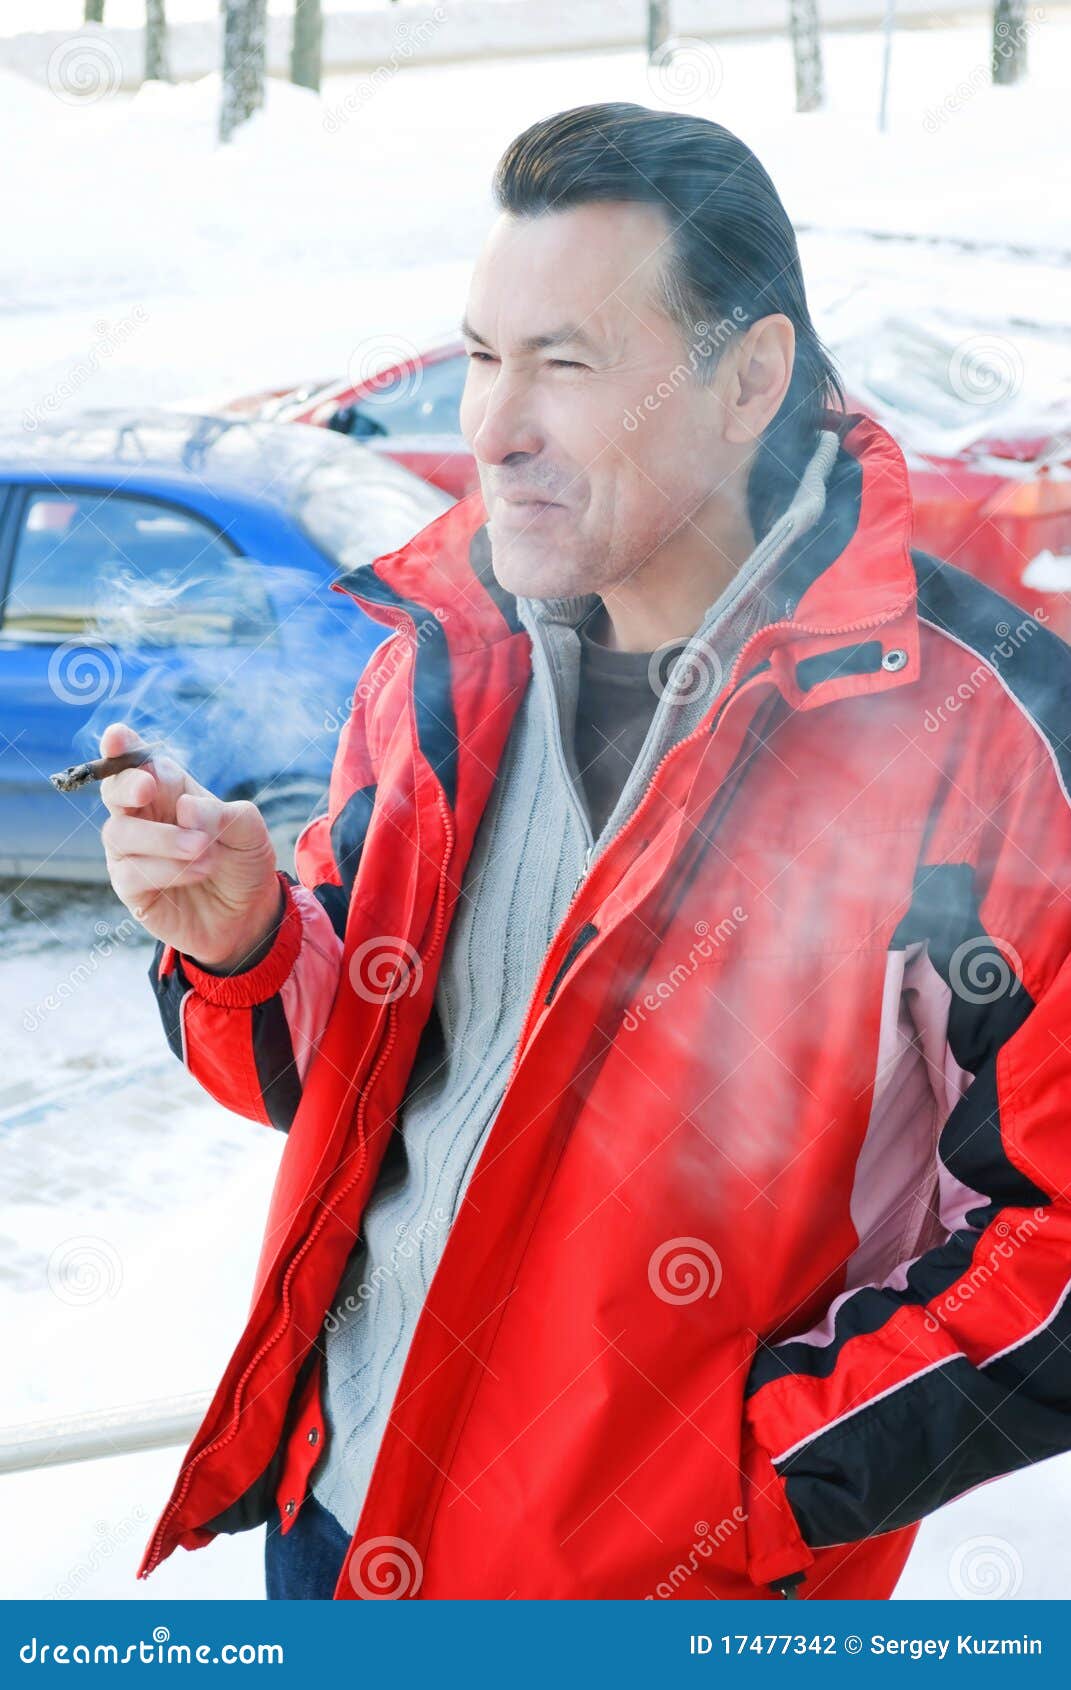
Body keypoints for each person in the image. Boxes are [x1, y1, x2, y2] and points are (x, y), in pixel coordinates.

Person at [101, 103, 1071, 1602]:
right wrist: (247, 943)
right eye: (483, 357)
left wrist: (741, 1485)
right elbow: (336, 1082)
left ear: (751, 379)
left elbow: (1054, 1244)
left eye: (564, 363)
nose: (491, 426)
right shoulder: (440, 666)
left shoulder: (984, 738)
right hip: (338, 1534)